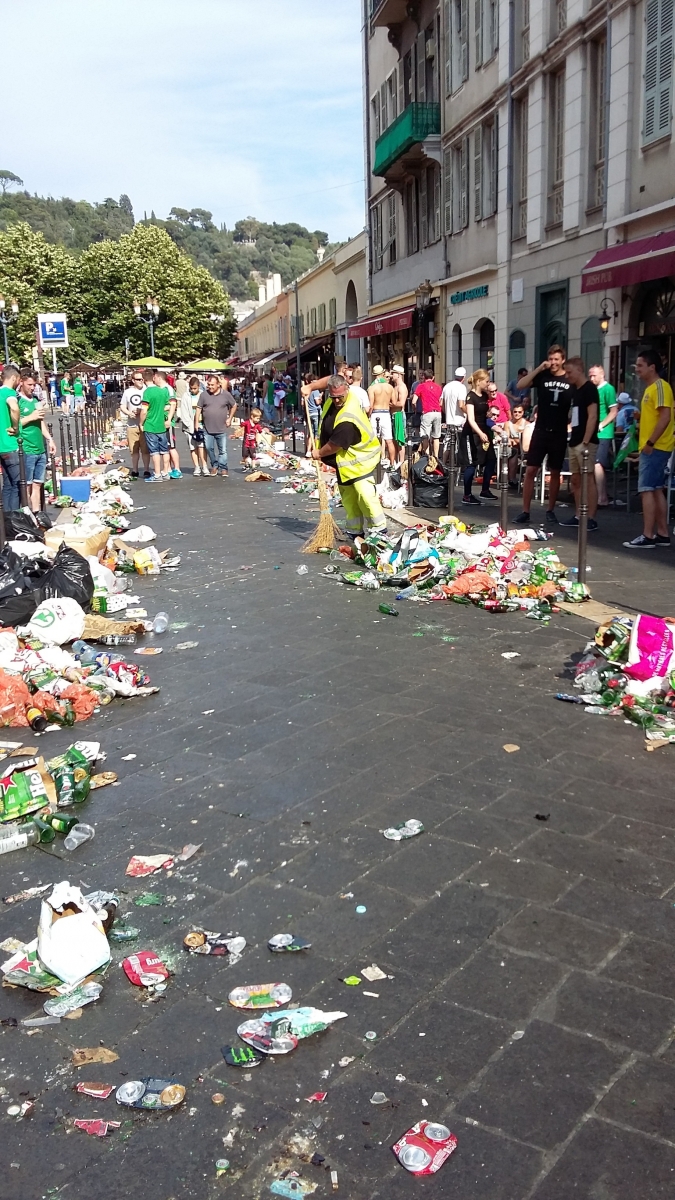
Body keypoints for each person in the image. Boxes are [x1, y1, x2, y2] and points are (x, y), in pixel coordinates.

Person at [311, 373, 386, 537]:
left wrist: (319, 453)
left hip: (359, 462)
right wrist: (310, 387)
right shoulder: (333, 397)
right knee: (349, 499)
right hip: (344, 463)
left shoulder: (348, 417)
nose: (336, 400)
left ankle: (379, 529)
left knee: (365, 496)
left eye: (339, 397)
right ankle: (354, 530)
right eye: (333, 397)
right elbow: (330, 377)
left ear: (347, 389)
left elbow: (334, 445)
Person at [515, 345, 574, 525]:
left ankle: (550, 509)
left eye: (557, 359)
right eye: (551, 359)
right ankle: (525, 510)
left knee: (555, 471)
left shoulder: (569, 378)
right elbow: (520, 385)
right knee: (531, 469)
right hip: (541, 430)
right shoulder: (543, 375)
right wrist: (539, 368)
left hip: (559, 431)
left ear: (562, 360)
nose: (554, 363)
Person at [623, 348, 674, 549]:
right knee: (655, 490)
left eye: (641, 365)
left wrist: (651, 443)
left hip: (656, 446)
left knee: (647, 490)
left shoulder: (660, 387)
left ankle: (648, 535)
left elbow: (665, 416)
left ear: (652, 367)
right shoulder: (652, 389)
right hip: (653, 446)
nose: (637, 369)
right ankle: (661, 533)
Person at [559, 357, 599, 531]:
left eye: (569, 372)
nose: (567, 376)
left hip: (585, 441)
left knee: (588, 478)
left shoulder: (589, 389)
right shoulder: (575, 390)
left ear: (579, 370)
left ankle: (590, 517)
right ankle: (578, 514)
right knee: (575, 479)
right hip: (574, 439)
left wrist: (586, 440)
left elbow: (592, 415)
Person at [17, 374, 55, 511]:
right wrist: (30, 417)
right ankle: (28, 515)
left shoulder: (35, 399)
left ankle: (37, 513)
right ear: (21, 383)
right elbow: (14, 425)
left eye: (34, 385)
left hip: (40, 448)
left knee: (38, 484)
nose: (33, 388)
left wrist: (50, 439)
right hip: (27, 449)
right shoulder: (16, 401)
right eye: (30, 385)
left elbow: (40, 422)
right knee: (26, 485)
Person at [459, 369, 496, 504]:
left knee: (491, 459)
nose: (488, 383)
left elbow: (484, 412)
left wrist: (489, 415)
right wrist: (480, 433)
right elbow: (471, 419)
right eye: (486, 381)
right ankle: (467, 495)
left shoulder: (485, 396)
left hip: (484, 431)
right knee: (472, 464)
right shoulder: (471, 397)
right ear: (479, 381)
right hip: (472, 434)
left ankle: (485, 490)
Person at [588, 364, 618, 507]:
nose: (592, 378)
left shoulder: (608, 389)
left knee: (598, 463)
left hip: (603, 432)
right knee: (592, 463)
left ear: (602, 375)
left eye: (594, 375)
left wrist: (602, 424)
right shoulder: (592, 389)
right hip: (593, 430)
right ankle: (595, 495)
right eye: (590, 375)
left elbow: (613, 410)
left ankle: (602, 497)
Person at [196, 373, 236, 477]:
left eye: (212, 385)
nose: (210, 386)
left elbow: (234, 405)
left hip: (221, 428)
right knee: (209, 448)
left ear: (218, 384)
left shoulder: (226, 394)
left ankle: (223, 468)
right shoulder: (204, 395)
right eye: (208, 384)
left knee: (222, 450)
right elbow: (199, 408)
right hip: (207, 428)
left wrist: (230, 418)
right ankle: (214, 465)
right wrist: (196, 422)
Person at [140, 369, 172, 482]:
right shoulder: (162, 391)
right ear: (153, 378)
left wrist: (141, 423)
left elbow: (144, 411)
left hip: (150, 425)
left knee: (154, 451)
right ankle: (166, 472)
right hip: (161, 425)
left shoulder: (147, 392)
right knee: (165, 450)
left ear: (144, 380)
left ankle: (157, 474)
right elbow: (168, 406)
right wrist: (160, 410)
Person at [120, 370, 150, 478]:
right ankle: (135, 470)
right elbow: (122, 406)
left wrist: (141, 412)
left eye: (142, 379)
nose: (141, 381)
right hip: (132, 425)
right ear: (133, 380)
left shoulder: (147, 390)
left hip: (145, 425)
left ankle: (146, 469)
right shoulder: (128, 392)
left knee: (145, 449)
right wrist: (128, 413)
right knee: (134, 449)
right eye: (138, 379)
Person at [0, 365, 21, 510]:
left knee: (7, 485)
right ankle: (14, 519)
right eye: (19, 379)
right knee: (17, 485)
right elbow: (14, 407)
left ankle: (6, 520)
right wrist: (15, 427)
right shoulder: (9, 393)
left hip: (1, 445)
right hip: (10, 444)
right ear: (13, 378)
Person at [367, 365, 396, 467]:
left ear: (374, 375)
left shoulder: (372, 388)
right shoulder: (390, 387)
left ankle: (373, 464)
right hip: (386, 413)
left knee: (373, 440)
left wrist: (368, 416)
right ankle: (392, 464)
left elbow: (370, 405)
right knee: (389, 441)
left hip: (375, 413)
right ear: (383, 373)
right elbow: (394, 402)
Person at [180, 375, 208, 476]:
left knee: (202, 446)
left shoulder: (203, 395)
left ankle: (204, 466)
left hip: (201, 425)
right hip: (189, 427)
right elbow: (184, 412)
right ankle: (196, 466)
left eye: (195, 388)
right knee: (193, 447)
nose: (193, 390)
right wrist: (191, 426)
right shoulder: (185, 396)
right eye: (191, 388)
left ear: (199, 386)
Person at [416, 369, 443, 462]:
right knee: (436, 436)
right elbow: (441, 402)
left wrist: (415, 409)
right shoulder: (438, 387)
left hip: (427, 412)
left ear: (424, 377)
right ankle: (436, 457)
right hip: (437, 412)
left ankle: (427, 457)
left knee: (425, 436)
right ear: (433, 377)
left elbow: (413, 401)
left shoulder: (421, 386)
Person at [507, 403, 528, 488]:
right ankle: (511, 479)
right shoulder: (508, 424)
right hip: (513, 447)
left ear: (523, 413)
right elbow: (507, 437)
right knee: (513, 452)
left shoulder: (526, 424)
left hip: (525, 447)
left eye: (519, 412)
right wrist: (511, 440)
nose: (517, 414)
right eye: (515, 412)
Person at [390, 365, 408, 465]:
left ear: (399, 375)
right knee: (395, 441)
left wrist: (389, 404)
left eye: (393, 373)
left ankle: (401, 462)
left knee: (400, 441)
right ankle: (397, 462)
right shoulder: (395, 387)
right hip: (394, 415)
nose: (392, 375)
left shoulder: (401, 387)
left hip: (399, 415)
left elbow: (401, 403)